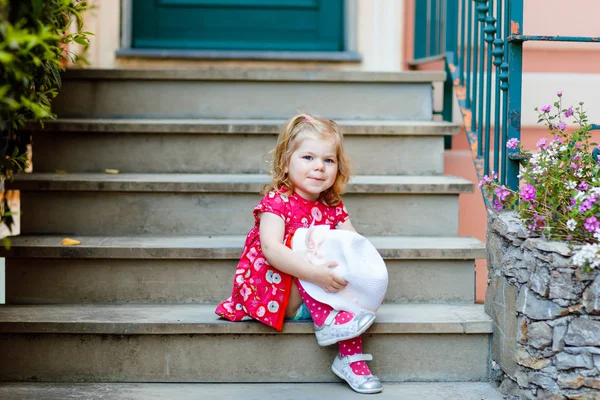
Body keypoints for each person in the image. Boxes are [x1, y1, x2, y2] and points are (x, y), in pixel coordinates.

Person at [215, 114, 382, 394]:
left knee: (346, 262)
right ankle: (330, 321)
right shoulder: (277, 202)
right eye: (308, 158)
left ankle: (350, 360)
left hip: (318, 291)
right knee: (303, 244)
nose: (319, 167)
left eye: (328, 160)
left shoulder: (332, 205)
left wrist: (364, 277)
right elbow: (271, 250)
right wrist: (315, 272)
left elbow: (354, 245)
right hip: (276, 293)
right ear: (285, 163)